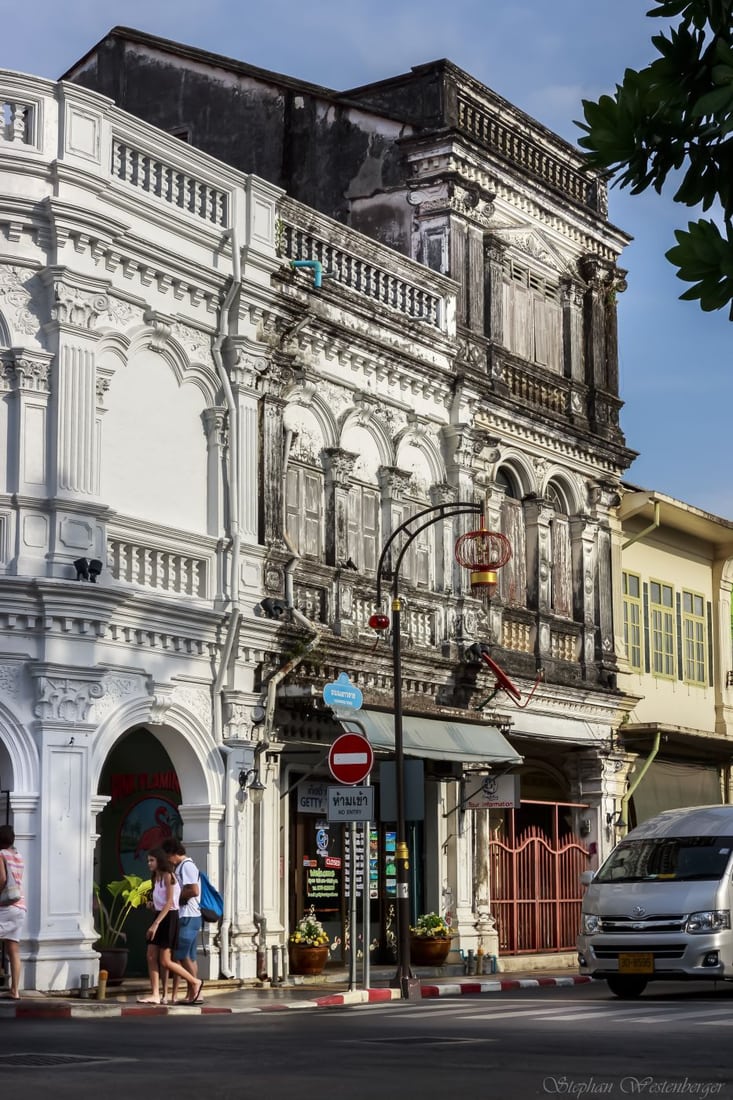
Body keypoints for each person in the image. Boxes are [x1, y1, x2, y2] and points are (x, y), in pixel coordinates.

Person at [137, 848, 203, 1005]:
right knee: (151, 956)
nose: (149, 863)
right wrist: (152, 904)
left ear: (159, 861)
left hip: (169, 919)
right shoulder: (155, 877)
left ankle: (195, 981)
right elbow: (161, 902)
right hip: (159, 915)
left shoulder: (169, 876)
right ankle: (155, 994)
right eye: (148, 860)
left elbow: (169, 903)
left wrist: (155, 924)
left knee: (166, 961)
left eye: (152, 860)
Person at [161, 837, 202, 1004]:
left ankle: (196, 988)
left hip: (188, 916)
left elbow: (193, 890)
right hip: (190, 916)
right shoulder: (184, 866)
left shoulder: (187, 866)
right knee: (190, 957)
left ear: (173, 853)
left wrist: (175, 897)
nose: (167, 860)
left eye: (167, 856)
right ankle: (193, 992)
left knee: (180, 955)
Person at [0, 824, 26, 1000]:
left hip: (6, 906)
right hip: (20, 906)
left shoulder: (1, 854)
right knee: (13, 949)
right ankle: (15, 990)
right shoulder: (19, 856)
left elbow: (2, 879)